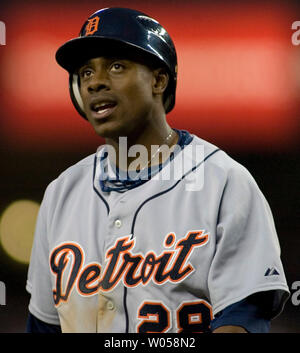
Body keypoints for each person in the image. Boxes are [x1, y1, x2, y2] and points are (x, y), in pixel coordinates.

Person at [26, 7, 290, 333]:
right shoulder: (61, 193)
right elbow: (44, 325)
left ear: (159, 80)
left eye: (116, 66)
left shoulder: (223, 183)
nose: (95, 83)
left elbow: (243, 319)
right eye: (85, 72)